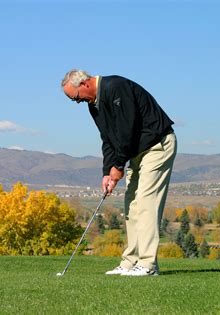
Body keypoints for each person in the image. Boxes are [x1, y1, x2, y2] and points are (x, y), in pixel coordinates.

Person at [61, 70, 177, 276]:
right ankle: (130, 262)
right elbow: (108, 139)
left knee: (146, 202)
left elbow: (127, 130)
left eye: (76, 98)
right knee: (131, 204)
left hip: (157, 146)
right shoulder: (93, 106)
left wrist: (119, 166)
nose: (77, 103)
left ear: (85, 84)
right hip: (137, 152)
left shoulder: (116, 87)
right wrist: (107, 171)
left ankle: (148, 265)